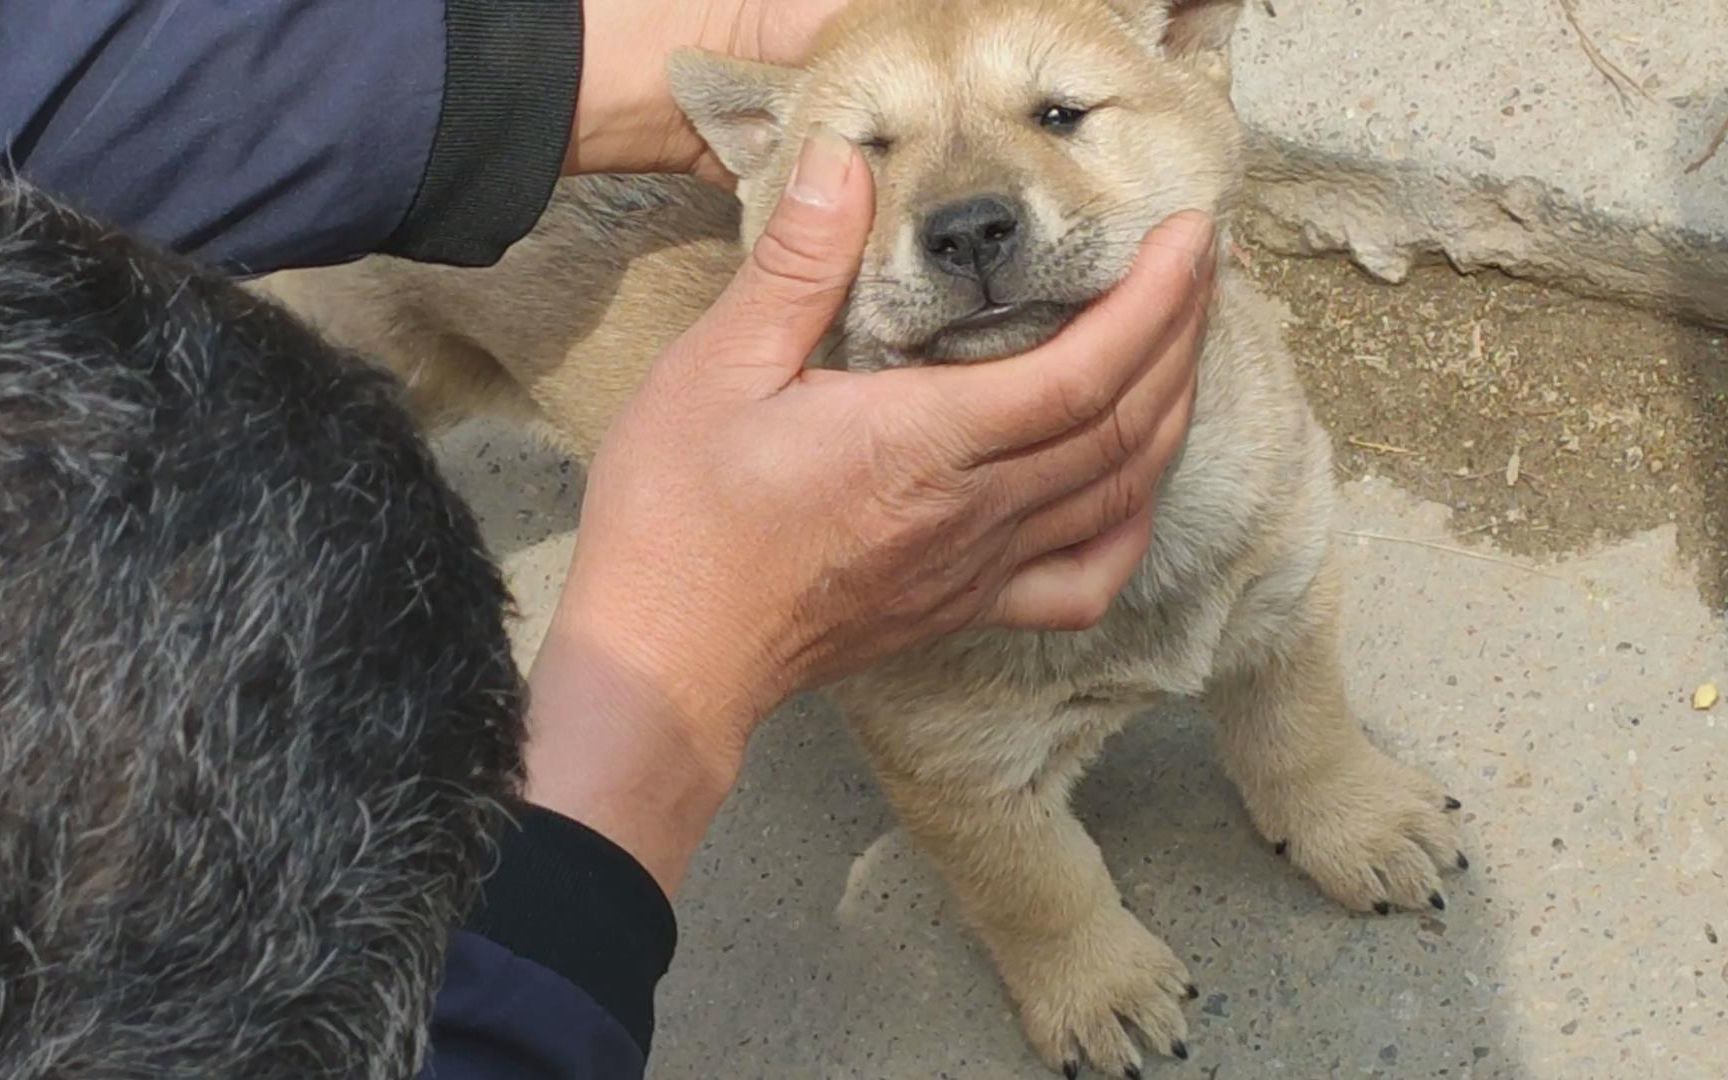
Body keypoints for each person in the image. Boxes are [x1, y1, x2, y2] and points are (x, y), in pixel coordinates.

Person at [0, 2, 1213, 1076]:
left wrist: (578, 56)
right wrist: (667, 674)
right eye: (872, 153)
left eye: (1057, 111)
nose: (964, 210)